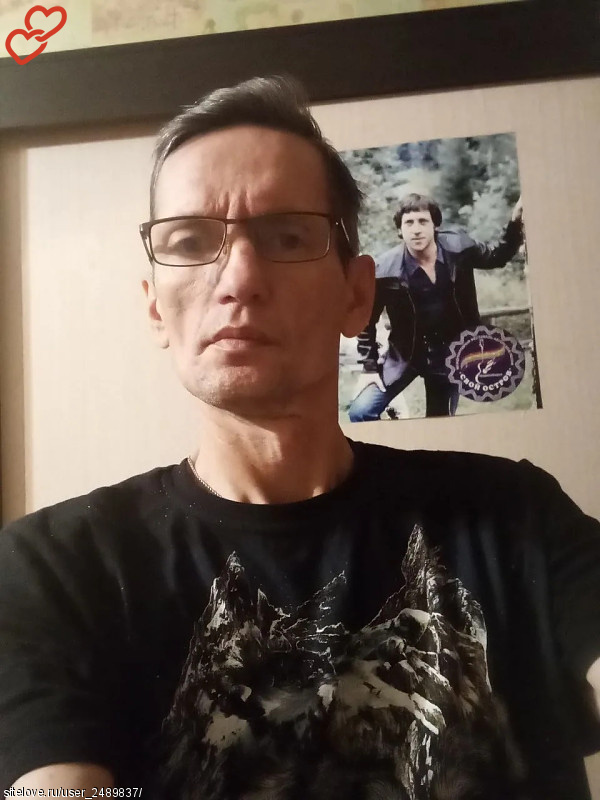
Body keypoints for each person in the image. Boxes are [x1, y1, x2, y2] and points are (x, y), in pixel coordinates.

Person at [0, 76, 599, 800]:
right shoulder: (51, 570)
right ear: (155, 306)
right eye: (190, 241)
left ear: (356, 294)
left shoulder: (516, 518)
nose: (240, 279)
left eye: (286, 236)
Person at [348, 192, 524, 420]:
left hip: (451, 354)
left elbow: (497, 257)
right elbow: (365, 321)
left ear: (435, 226)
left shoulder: (459, 248)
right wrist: (370, 367)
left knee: (439, 423)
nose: (416, 229)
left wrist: (515, 221)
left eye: (423, 221)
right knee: (361, 412)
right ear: (400, 230)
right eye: (409, 223)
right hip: (406, 355)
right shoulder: (384, 270)